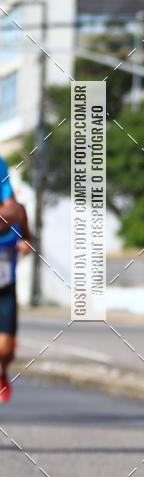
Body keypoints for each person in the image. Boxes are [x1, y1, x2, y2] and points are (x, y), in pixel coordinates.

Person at [0, 157, 31, 402]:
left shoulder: (12, 219)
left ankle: (3, 370)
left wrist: (25, 243)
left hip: (5, 287)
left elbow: (20, 214)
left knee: (6, 350)